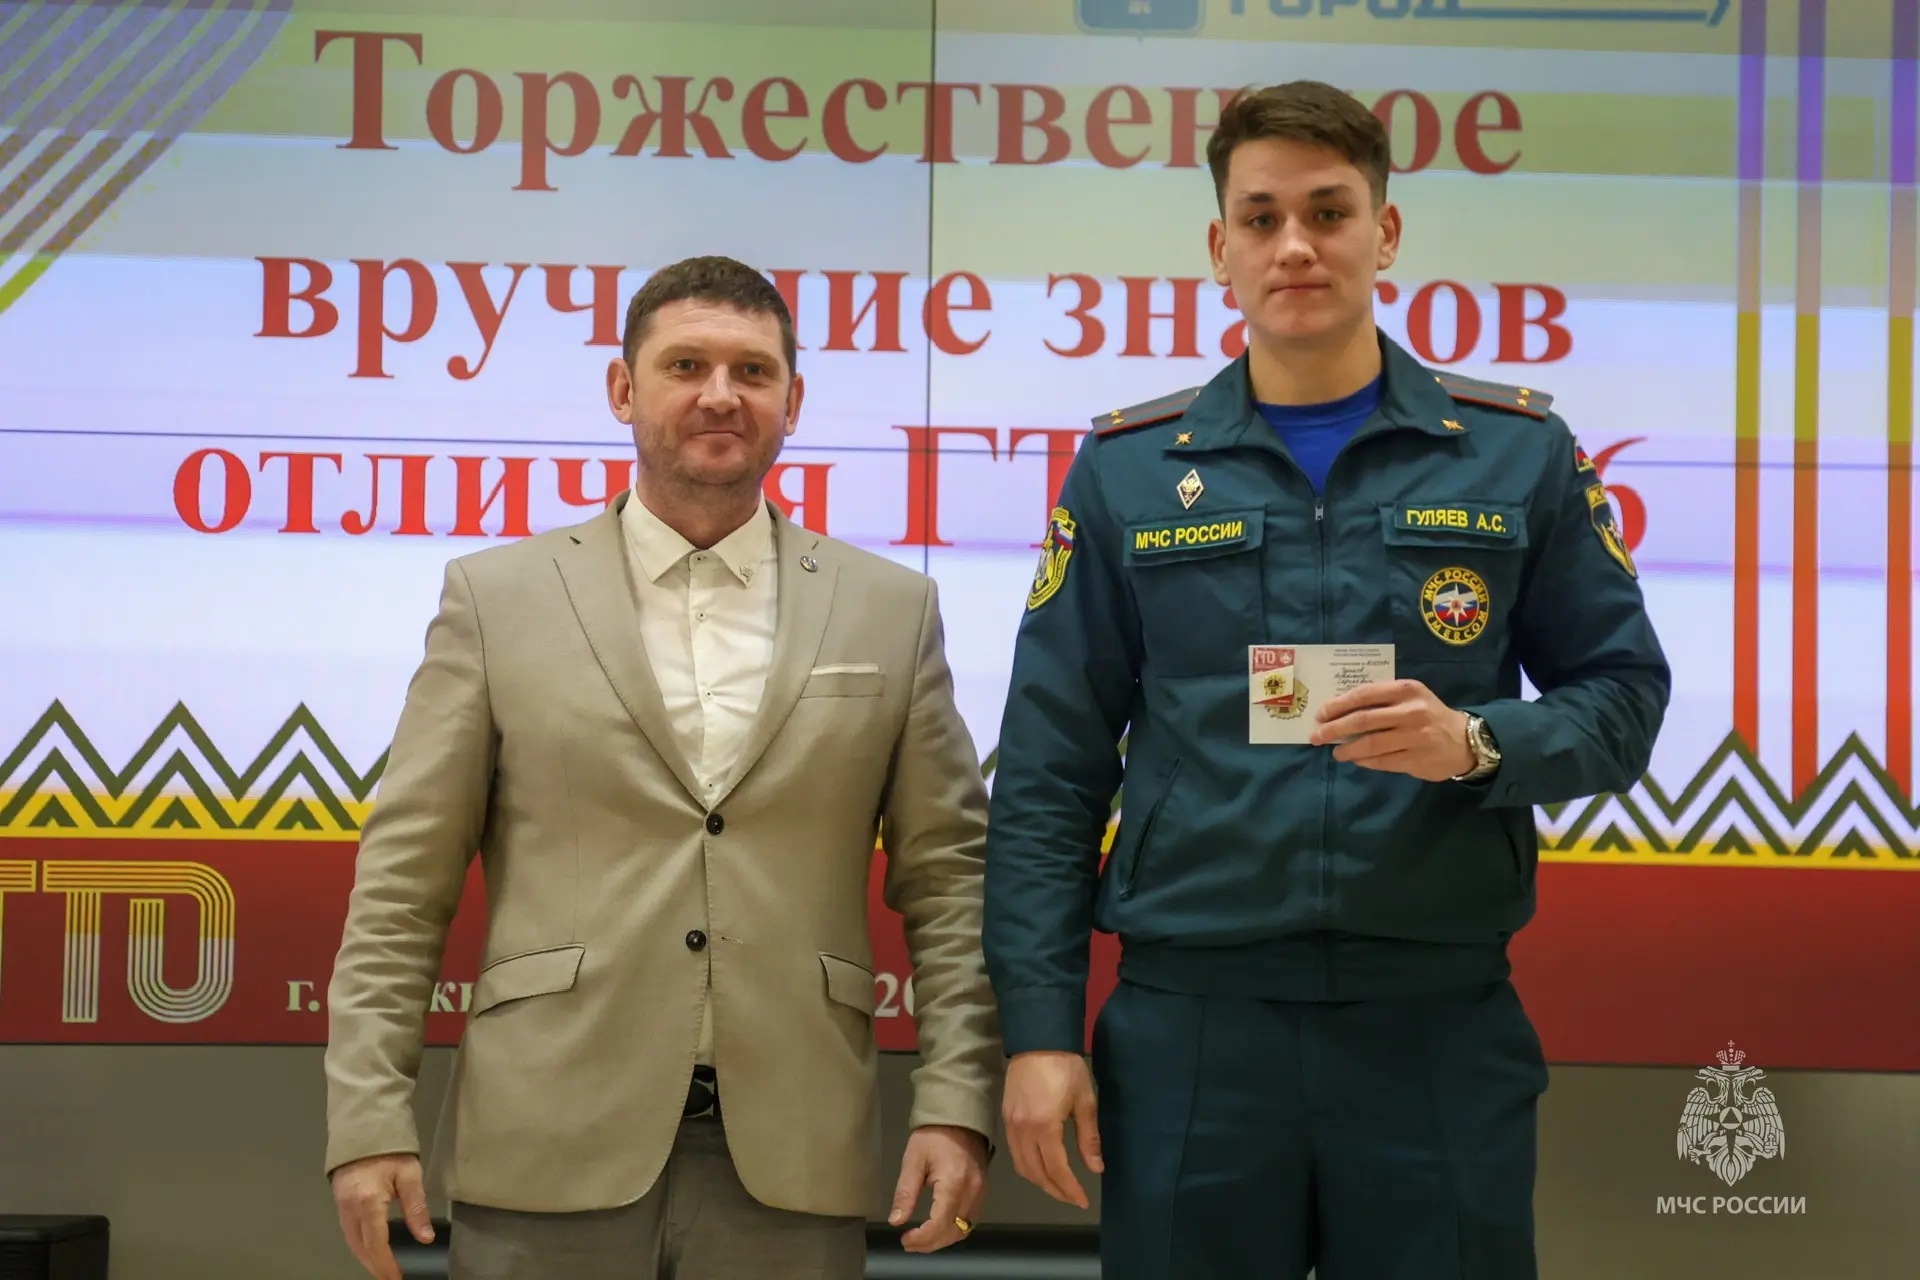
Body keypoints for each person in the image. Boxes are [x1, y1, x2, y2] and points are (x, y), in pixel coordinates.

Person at [982, 81, 1670, 1280]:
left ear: (1384, 233)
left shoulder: (1517, 453)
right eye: (1261, 218)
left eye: (1329, 211)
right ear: (1220, 249)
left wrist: (1478, 744)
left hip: (1435, 1020)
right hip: (1193, 1025)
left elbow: (1622, 698)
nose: (1294, 245)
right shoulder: (1125, 473)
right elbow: (1051, 770)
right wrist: (1040, 1031)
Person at [323, 255, 1000, 1280]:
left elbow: (950, 884)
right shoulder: (496, 598)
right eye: (685, 365)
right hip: (546, 1141)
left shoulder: (890, 610)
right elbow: (401, 885)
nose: (721, 394)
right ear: (622, 388)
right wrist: (370, 1116)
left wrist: (955, 1104)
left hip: (794, 1153)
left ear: (793, 402)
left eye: (753, 371)